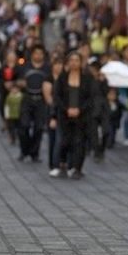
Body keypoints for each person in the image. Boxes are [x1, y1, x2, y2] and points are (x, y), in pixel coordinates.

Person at [53, 51, 95, 179]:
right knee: (64, 141)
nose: (74, 63)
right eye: (71, 60)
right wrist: (66, 109)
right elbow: (57, 96)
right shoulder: (62, 78)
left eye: (77, 60)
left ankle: (77, 168)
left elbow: (90, 97)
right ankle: (63, 165)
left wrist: (79, 110)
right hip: (65, 115)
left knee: (79, 141)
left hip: (82, 116)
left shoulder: (87, 78)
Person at [16, 44, 50, 163]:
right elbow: (16, 79)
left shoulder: (47, 68)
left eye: (40, 53)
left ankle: (34, 153)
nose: (38, 56)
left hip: (41, 100)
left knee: (39, 128)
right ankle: (24, 150)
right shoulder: (24, 66)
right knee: (24, 126)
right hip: (27, 98)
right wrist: (19, 84)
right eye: (36, 53)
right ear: (32, 54)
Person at [45, 54, 65, 178]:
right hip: (53, 111)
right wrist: (55, 112)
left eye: (61, 64)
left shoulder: (64, 79)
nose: (59, 67)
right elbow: (48, 98)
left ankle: (63, 161)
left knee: (63, 138)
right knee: (54, 138)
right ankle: (53, 164)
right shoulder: (49, 79)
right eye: (56, 64)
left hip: (64, 111)